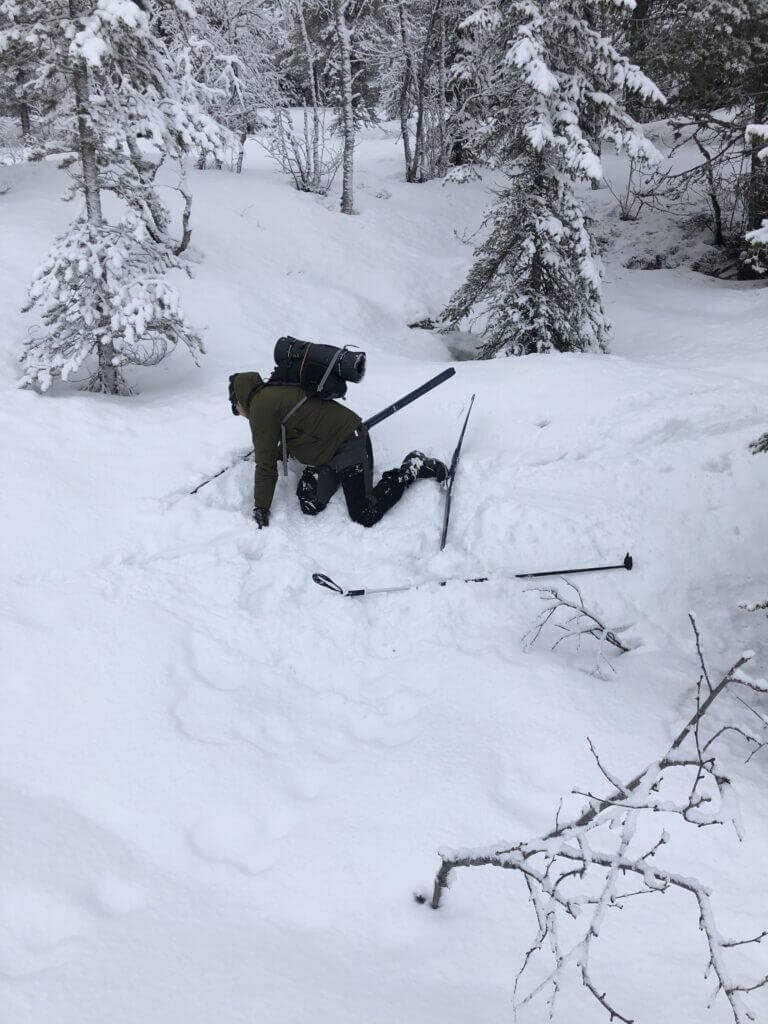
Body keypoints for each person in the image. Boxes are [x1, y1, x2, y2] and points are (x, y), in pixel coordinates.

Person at [229, 371, 448, 528]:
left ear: (239, 400)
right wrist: (274, 452)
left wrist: (261, 508)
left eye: (235, 410)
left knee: (364, 514)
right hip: (327, 452)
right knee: (311, 504)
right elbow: (289, 432)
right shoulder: (272, 392)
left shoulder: (260, 407)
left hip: (349, 444)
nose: (239, 414)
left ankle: (413, 466)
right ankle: (315, 471)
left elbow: (266, 467)